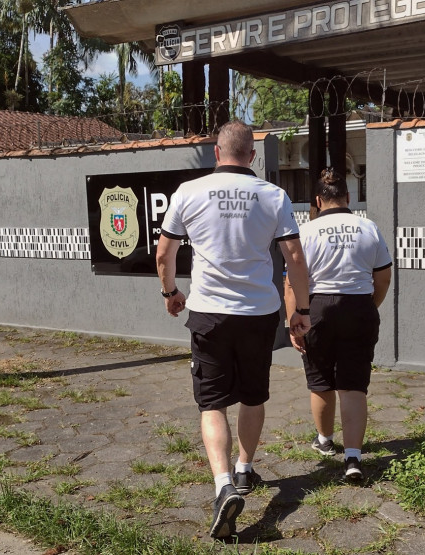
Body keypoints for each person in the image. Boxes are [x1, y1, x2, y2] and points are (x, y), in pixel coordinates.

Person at [156, 120, 311, 539]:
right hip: (259, 313)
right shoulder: (273, 195)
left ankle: (223, 485)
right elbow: (294, 256)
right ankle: (244, 469)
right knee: (253, 395)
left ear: (216, 153)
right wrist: (303, 310)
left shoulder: (189, 192)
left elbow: (164, 253)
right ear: (252, 156)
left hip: (208, 314)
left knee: (212, 403)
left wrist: (171, 291)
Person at [284, 167, 392, 480]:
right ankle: (354, 458)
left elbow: (292, 282)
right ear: (348, 197)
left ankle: (325, 441)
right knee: (353, 385)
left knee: (320, 380)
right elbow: (382, 276)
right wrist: (369, 306)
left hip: (317, 308)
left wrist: (294, 319)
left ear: (317, 201)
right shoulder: (368, 227)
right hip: (358, 306)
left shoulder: (305, 231)